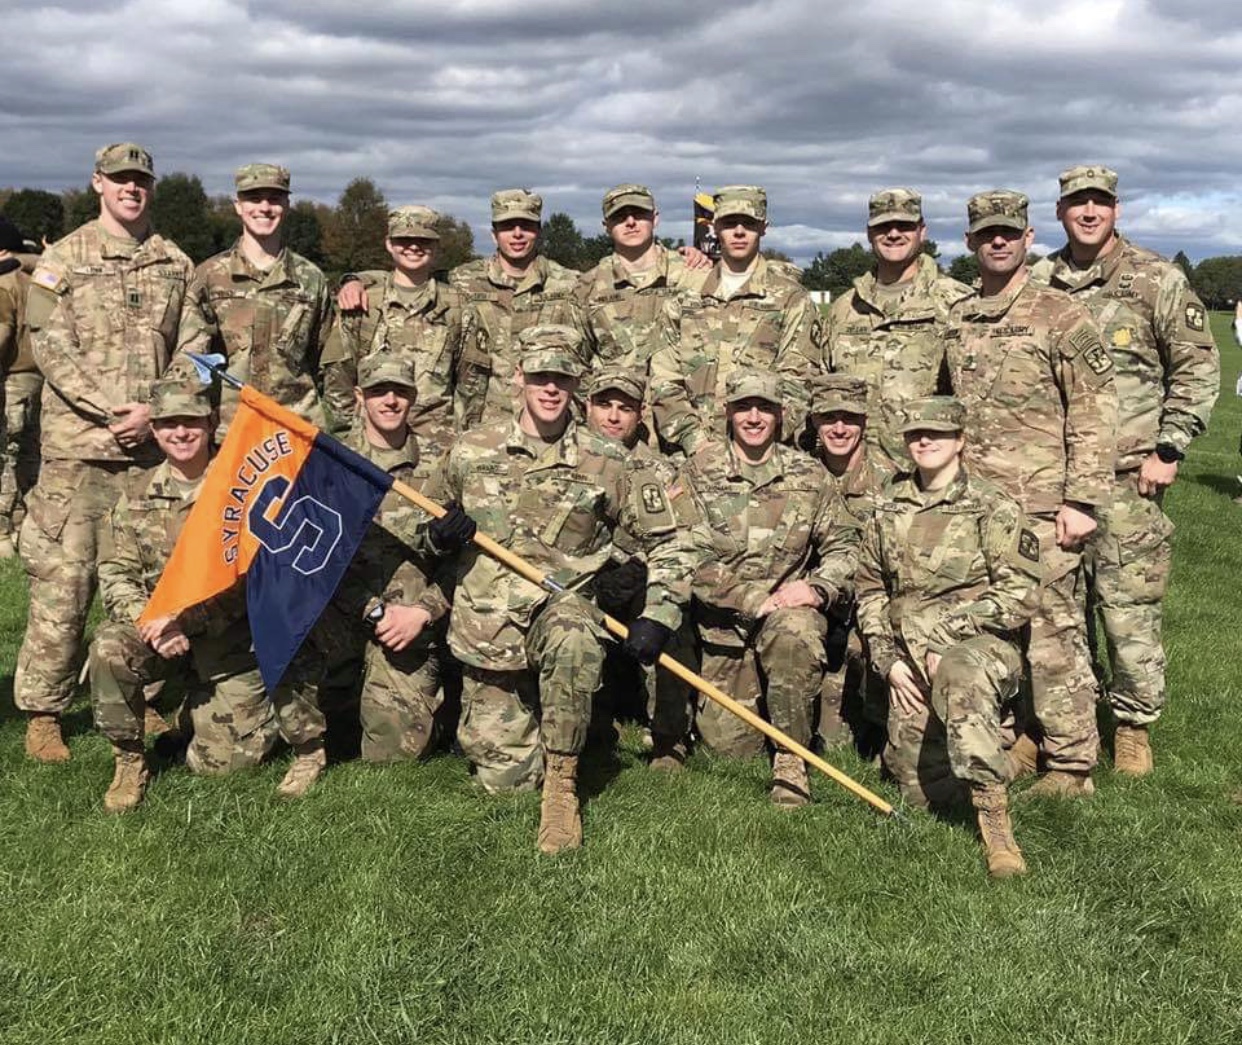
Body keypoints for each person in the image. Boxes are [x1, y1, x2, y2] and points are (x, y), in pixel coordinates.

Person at [419, 325, 698, 852]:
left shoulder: (608, 460)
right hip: (489, 637)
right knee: (503, 785)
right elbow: (420, 527)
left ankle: (563, 788)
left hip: (558, 617)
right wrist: (436, 536)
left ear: (575, 388)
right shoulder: (470, 450)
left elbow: (674, 541)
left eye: (562, 380)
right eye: (541, 377)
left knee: (573, 630)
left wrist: (657, 611)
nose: (551, 389)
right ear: (520, 378)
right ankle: (547, 744)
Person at [1029, 165, 1219, 774]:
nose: (1088, 212)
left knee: (1127, 606)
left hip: (1128, 477)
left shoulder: (1155, 279)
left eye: (1099, 202)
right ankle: (1065, 719)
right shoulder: (1040, 280)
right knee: (1057, 606)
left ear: (1116, 209)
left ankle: (1134, 723)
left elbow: (1196, 366)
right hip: (1055, 476)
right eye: (1076, 203)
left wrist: (1170, 449)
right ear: (1060, 212)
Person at [18, 142, 194, 762]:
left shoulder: (176, 263)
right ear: (97, 183)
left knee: (151, 582)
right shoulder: (61, 260)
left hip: (150, 454)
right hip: (79, 452)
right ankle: (45, 711)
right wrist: (110, 409)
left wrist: (155, 409)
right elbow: (49, 344)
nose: (131, 189)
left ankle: (141, 697)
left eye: (141, 181)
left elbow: (193, 344)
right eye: (120, 179)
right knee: (65, 585)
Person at [944, 190, 1117, 798]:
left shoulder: (1060, 314)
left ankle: (1071, 763)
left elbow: (1095, 411)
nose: (998, 242)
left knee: (1052, 632)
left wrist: (1083, 501)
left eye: (1009, 234)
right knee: (997, 627)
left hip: (1044, 508)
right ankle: (1019, 737)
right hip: (978, 512)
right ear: (970, 242)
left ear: (1027, 239)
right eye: (987, 234)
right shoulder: (960, 318)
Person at [855, 396, 1042, 877]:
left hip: (980, 646)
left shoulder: (992, 505)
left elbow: (1021, 593)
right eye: (916, 433)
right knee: (923, 795)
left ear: (960, 441)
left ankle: (995, 820)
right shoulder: (885, 502)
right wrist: (887, 660)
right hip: (907, 655)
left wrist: (946, 637)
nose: (924, 441)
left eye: (936, 433)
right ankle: (1005, 751)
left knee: (960, 674)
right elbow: (871, 588)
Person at [89, 376, 277, 812]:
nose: (180, 432)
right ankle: (130, 759)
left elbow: (253, 577)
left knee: (224, 765)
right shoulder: (133, 497)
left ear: (211, 423)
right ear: (153, 429)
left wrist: (183, 620)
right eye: (168, 422)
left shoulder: (240, 489)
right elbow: (115, 572)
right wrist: (153, 623)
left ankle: (194, 715)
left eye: (191, 421)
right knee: (108, 649)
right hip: (159, 631)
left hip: (228, 640)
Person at [680, 368, 858, 806]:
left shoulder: (809, 476)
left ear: (781, 416)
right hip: (723, 632)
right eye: (744, 408)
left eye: (765, 408)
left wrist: (818, 587)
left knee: (796, 629)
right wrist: (750, 599)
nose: (754, 417)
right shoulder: (700, 470)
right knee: (729, 747)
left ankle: (791, 761)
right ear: (728, 413)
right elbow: (683, 553)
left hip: (784, 621)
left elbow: (846, 545)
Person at [327, 355, 453, 762]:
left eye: (401, 391)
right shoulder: (330, 459)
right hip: (341, 611)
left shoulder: (443, 462)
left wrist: (424, 611)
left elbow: (467, 559)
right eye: (379, 391)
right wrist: (371, 610)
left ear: (414, 398)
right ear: (359, 397)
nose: (391, 400)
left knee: (393, 755)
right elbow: (311, 555)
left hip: (408, 622)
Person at [650, 185, 821, 457]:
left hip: (765, 457)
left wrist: (757, 441)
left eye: (749, 224)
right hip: (692, 457)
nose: (739, 231)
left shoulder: (790, 300)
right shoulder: (684, 301)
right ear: (715, 227)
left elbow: (799, 381)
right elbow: (664, 381)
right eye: (730, 223)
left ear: (764, 227)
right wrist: (696, 442)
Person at [584, 364, 696, 767]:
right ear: (587, 407)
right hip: (582, 580)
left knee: (671, 613)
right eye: (604, 405)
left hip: (639, 576)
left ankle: (668, 739)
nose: (613, 417)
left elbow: (680, 539)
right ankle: (591, 726)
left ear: (640, 414)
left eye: (625, 408)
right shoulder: (565, 457)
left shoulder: (660, 469)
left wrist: (638, 564)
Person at [176, 163, 331, 434]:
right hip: (232, 429)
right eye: (254, 198)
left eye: (274, 199)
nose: (264, 207)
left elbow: (326, 362)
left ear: (287, 204)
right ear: (238, 205)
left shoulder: (311, 279)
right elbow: (190, 358)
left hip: (296, 428)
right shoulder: (210, 276)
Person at [823, 188, 969, 471]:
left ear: (922, 231)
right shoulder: (845, 308)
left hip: (925, 481)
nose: (893, 233)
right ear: (869, 233)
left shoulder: (956, 303)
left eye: (904, 225)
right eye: (883, 226)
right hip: (853, 478)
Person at [320, 204, 470, 473]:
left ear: (436, 247)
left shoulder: (456, 306)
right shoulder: (364, 302)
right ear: (389, 244)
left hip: (437, 448)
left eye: (423, 240)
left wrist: (459, 433)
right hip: (371, 447)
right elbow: (338, 374)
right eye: (404, 240)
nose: (413, 247)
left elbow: (470, 382)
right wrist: (349, 433)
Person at [449, 189, 583, 428]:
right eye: (508, 226)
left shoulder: (569, 283)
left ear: (539, 231)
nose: (518, 234)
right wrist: (357, 280)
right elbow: (406, 283)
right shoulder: (463, 280)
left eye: (526, 226)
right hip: (483, 424)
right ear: (494, 234)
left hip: (551, 423)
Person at [807, 373, 886, 751]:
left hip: (872, 604)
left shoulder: (890, 478)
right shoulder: (801, 474)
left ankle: (883, 722)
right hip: (819, 605)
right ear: (814, 422)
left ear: (864, 422)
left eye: (849, 419)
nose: (839, 429)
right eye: (828, 418)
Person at [575, 184, 708, 375]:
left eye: (639, 214)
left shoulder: (693, 274)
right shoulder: (587, 287)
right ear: (606, 226)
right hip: (615, 402)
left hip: (679, 402)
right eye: (619, 217)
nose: (630, 222)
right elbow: (576, 360)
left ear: (655, 219)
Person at [0, 214, 40, 558]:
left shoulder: (4, 282)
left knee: (6, 456)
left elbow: (2, 334)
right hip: (39, 376)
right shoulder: (39, 276)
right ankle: (24, 526)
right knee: (28, 455)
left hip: (11, 378)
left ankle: (1, 534)